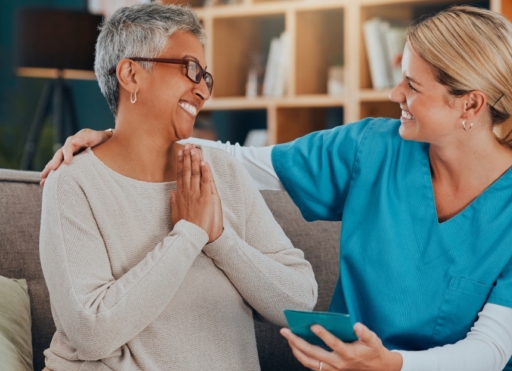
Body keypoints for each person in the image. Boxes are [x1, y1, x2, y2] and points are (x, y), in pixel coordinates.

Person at [41, 5, 512, 371]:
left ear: (471, 105)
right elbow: (246, 163)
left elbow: (488, 351)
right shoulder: (373, 147)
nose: (394, 93)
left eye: (413, 86)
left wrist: (391, 365)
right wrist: (121, 136)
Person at [39, 4, 317, 371]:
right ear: (131, 74)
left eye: (206, 76)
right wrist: (188, 235)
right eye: (190, 69)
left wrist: (219, 239)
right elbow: (91, 333)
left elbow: (300, 300)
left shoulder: (220, 172)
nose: (202, 89)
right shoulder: (75, 183)